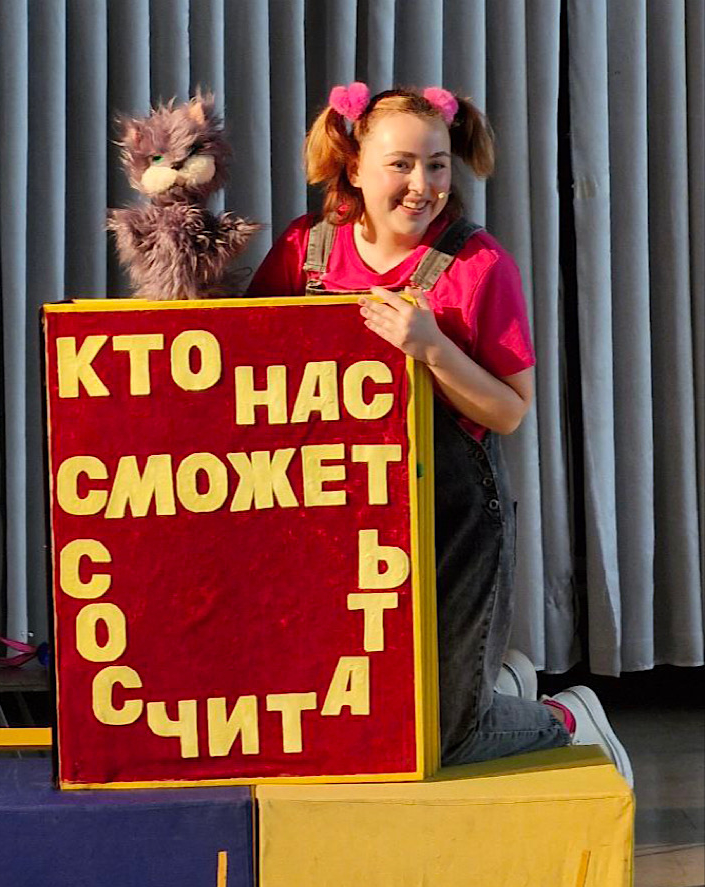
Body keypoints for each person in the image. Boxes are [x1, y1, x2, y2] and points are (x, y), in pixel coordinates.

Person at [248, 83, 633, 785]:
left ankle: (567, 716)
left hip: (452, 515)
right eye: (400, 164)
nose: (421, 186)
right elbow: (249, 362)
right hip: (335, 515)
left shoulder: (479, 265)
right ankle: (498, 689)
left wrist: (432, 348)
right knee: (358, 706)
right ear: (354, 166)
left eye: (436, 165)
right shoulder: (305, 251)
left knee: (447, 738)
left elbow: (509, 412)